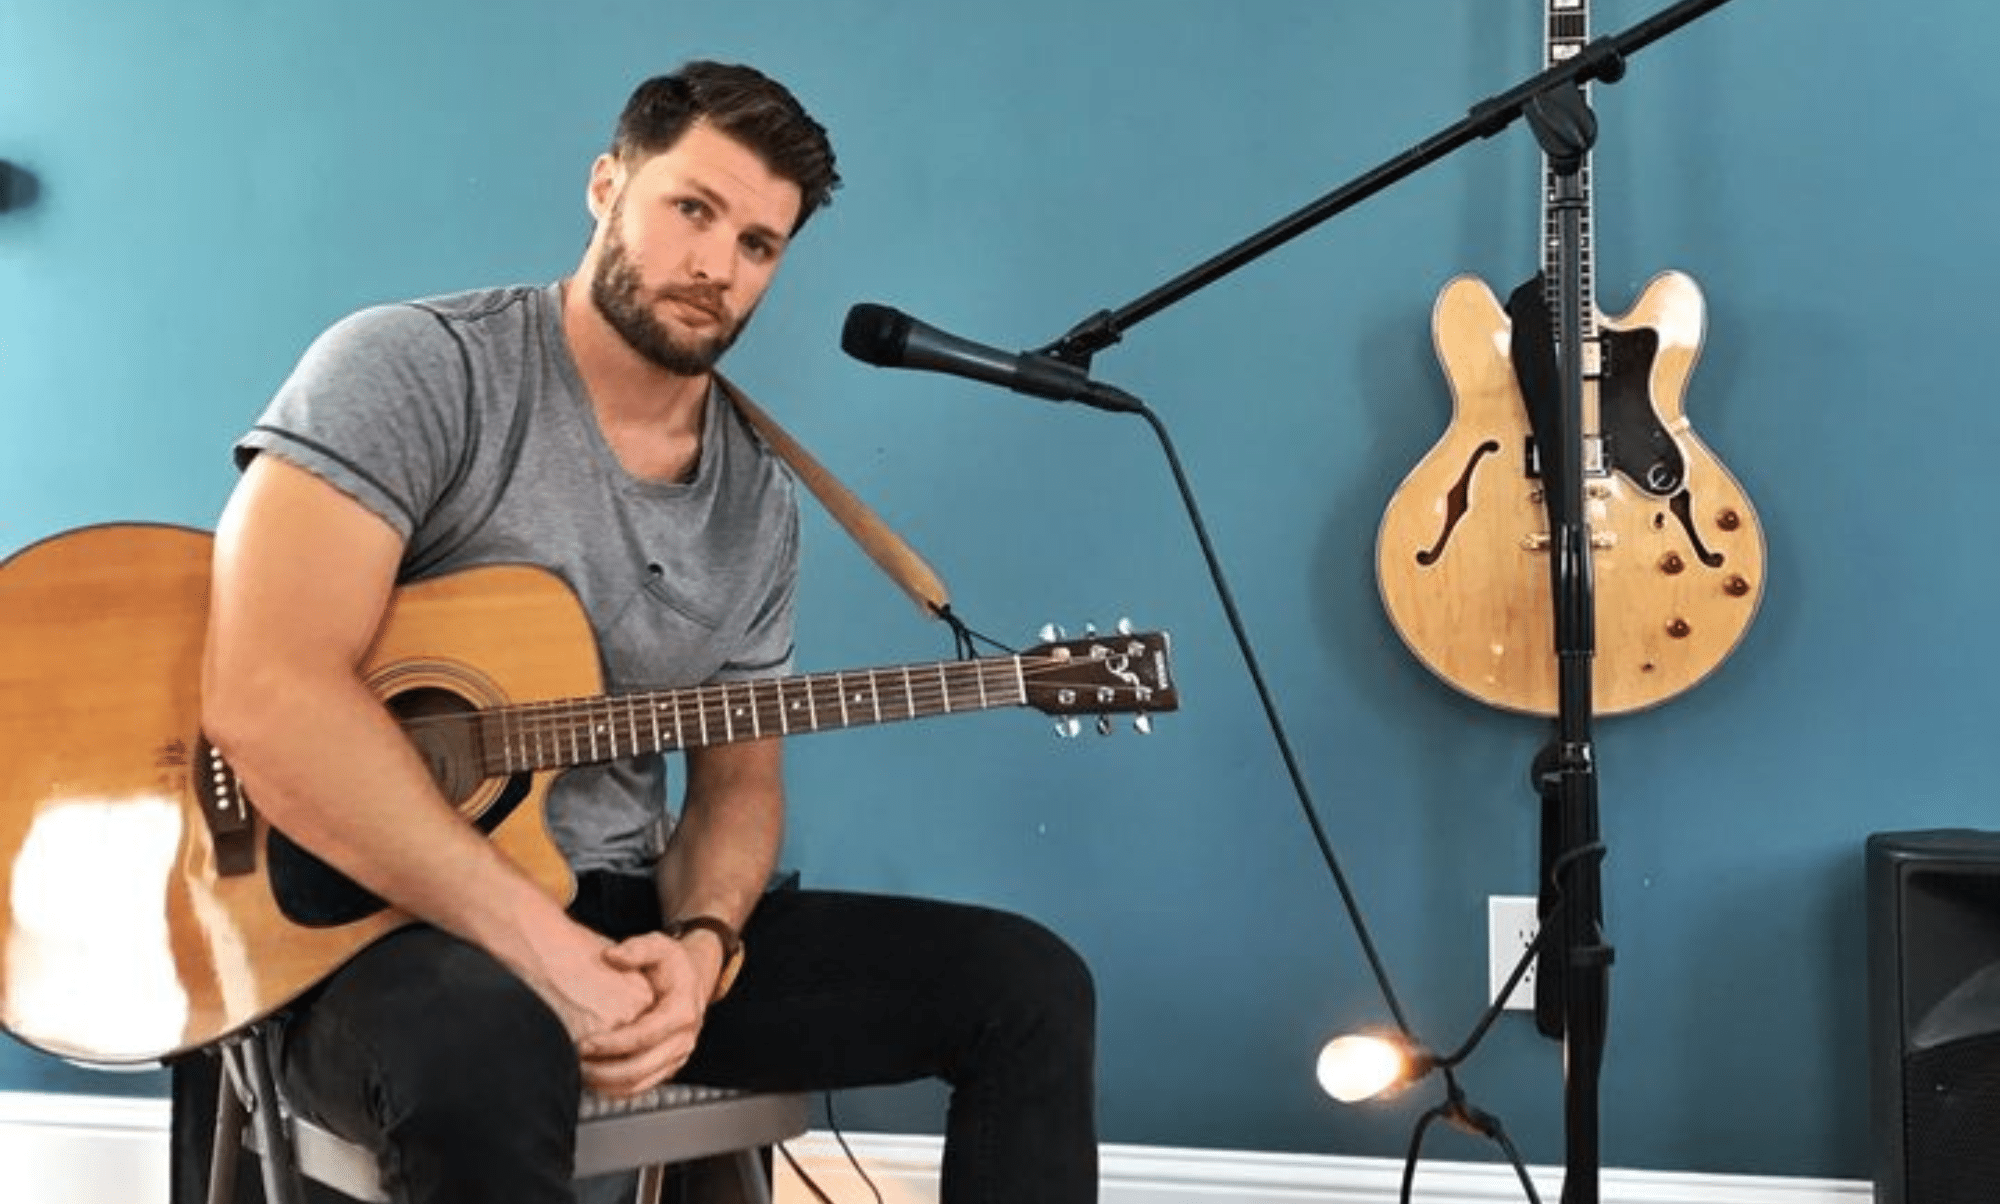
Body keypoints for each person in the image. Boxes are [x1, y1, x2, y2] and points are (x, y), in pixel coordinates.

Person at [196, 61, 1098, 1204]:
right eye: (692, 209)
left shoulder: (757, 498)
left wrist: (704, 946)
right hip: (359, 926)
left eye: (758, 244)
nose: (717, 264)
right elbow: (268, 690)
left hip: (617, 913)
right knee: (488, 1042)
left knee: (1026, 986)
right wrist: (542, 950)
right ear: (605, 185)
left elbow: (736, 786)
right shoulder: (416, 369)